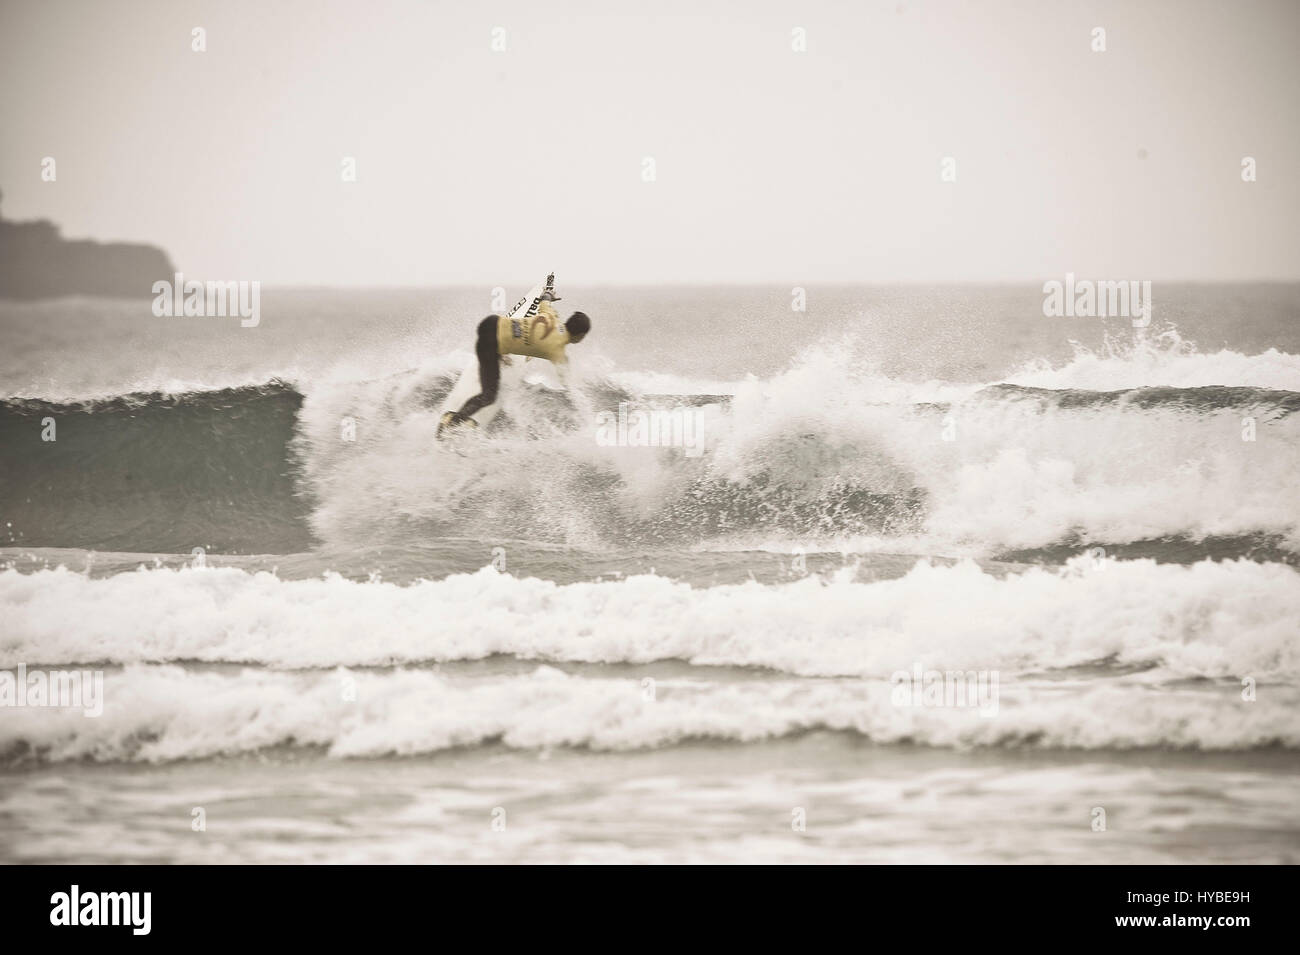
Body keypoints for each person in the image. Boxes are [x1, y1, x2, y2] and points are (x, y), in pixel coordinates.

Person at [438, 285, 591, 435]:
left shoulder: (552, 316)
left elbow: (545, 299)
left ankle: (499, 354)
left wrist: (549, 294)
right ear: (580, 336)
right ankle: (454, 420)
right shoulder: (558, 353)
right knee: (489, 396)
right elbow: (568, 384)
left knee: (506, 345)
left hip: (490, 323)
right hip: (489, 344)